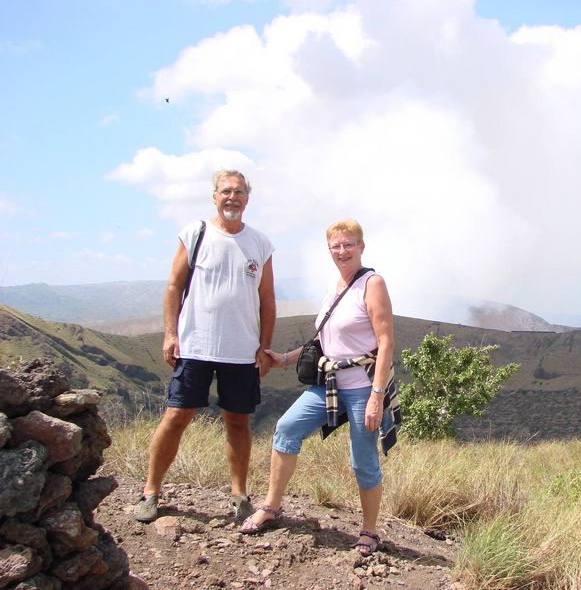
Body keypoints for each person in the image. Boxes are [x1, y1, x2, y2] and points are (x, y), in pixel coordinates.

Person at [239, 218, 399, 557]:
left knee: (363, 461)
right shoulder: (337, 286)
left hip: (361, 387)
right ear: (329, 250)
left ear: (361, 246)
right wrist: (284, 359)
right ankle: (271, 506)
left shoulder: (372, 283)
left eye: (348, 244)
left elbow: (386, 343)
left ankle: (370, 531)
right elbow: (323, 340)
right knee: (286, 429)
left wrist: (377, 396)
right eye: (336, 246)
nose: (342, 251)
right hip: (329, 384)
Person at [134, 169, 277, 523]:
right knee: (177, 415)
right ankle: (151, 492)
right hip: (196, 345)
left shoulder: (261, 244)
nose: (232, 197)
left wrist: (264, 346)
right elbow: (173, 286)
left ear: (248, 197)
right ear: (214, 196)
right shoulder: (195, 233)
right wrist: (171, 334)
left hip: (241, 350)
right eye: (226, 191)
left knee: (238, 421)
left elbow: (268, 301)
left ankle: (239, 495)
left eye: (239, 192)